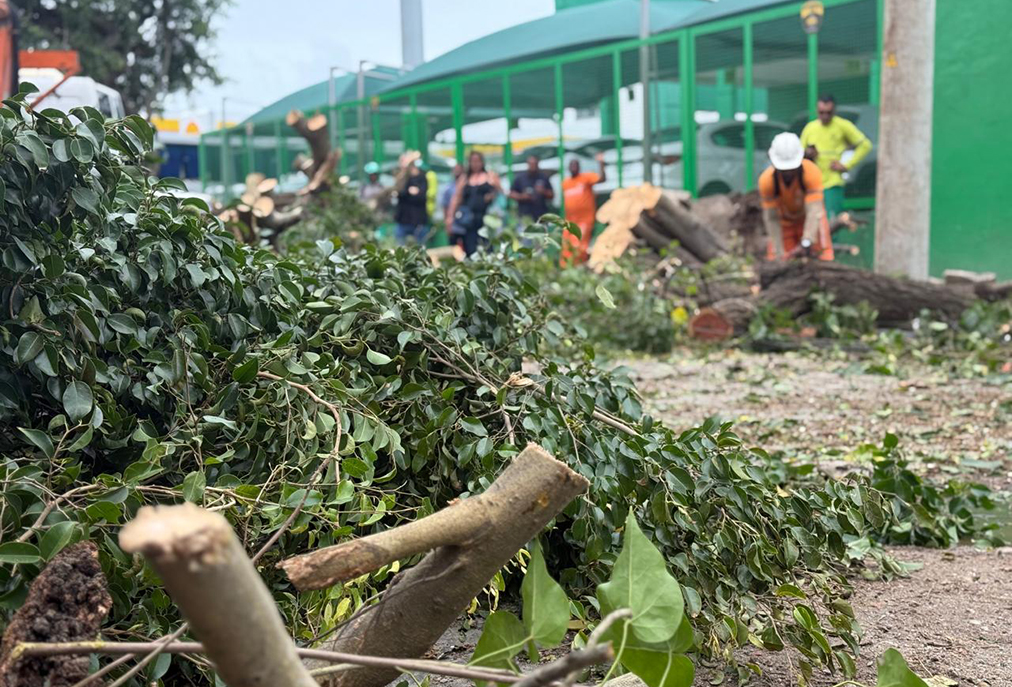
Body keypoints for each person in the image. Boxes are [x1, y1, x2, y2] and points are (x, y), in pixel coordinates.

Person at [759, 132, 833, 261]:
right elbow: (771, 219)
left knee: (822, 257)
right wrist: (778, 253)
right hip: (784, 224)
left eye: (791, 168)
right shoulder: (766, 181)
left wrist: (807, 241)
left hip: (810, 220)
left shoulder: (811, 172)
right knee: (780, 260)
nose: (788, 172)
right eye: (784, 170)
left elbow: (814, 210)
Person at [800, 94, 872, 220]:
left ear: (834, 111)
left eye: (829, 113)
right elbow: (799, 153)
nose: (825, 116)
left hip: (833, 183)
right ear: (817, 111)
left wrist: (846, 165)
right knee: (812, 220)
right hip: (812, 184)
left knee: (832, 221)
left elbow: (865, 145)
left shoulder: (842, 125)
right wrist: (808, 154)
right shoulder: (810, 128)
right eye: (821, 112)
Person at [446, 151, 502, 256]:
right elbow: (456, 198)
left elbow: (500, 192)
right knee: (470, 248)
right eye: (473, 161)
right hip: (469, 220)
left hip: (486, 219)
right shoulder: (465, 178)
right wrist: (450, 218)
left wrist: (492, 194)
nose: (475, 164)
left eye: (478, 161)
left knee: (488, 248)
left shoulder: (489, 176)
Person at [560, 153, 606, 266]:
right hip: (570, 221)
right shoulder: (565, 183)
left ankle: (578, 265)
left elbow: (602, 179)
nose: (573, 168)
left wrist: (601, 163)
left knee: (578, 243)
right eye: (571, 166)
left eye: (575, 165)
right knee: (566, 244)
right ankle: (565, 267)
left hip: (584, 219)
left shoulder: (586, 178)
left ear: (579, 167)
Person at [393, 151, 429, 246]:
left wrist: (411, 193)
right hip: (403, 220)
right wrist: (409, 192)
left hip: (418, 221)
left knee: (419, 248)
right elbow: (400, 192)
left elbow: (421, 196)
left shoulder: (421, 177)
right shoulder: (401, 177)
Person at [509, 155, 554, 225]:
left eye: (534, 164)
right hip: (524, 215)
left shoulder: (543, 177)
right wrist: (522, 196)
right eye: (531, 164)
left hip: (541, 216)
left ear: (538, 164)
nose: (533, 166)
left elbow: (551, 195)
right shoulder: (520, 178)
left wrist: (543, 191)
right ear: (527, 164)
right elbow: (511, 193)